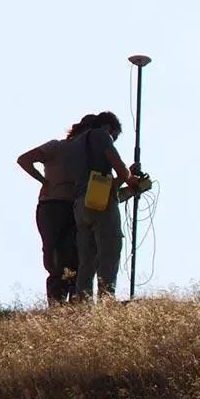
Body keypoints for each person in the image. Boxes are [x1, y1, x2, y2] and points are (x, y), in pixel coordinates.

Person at [16, 114, 97, 306]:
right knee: (58, 256)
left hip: (72, 205)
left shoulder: (85, 154)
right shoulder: (58, 147)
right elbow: (24, 160)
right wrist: (44, 181)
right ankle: (58, 303)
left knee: (74, 255)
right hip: (54, 206)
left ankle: (69, 303)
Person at [64, 111, 140, 303]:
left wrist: (125, 183)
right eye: (114, 136)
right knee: (109, 250)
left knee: (87, 259)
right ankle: (107, 299)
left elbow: (97, 182)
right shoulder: (100, 135)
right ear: (109, 127)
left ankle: (83, 302)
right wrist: (131, 178)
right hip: (101, 202)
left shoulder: (74, 144)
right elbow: (118, 166)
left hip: (80, 204)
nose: (113, 140)